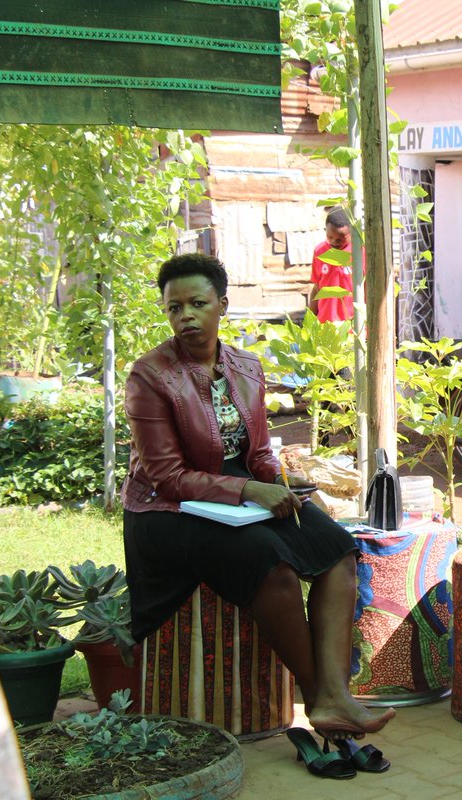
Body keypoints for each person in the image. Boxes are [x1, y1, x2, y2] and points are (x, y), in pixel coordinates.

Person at [122, 253, 394, 753]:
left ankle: (336, 691)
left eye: (197, 303)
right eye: (174, 307)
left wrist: (283, 482)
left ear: (222, 305)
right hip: (166, 512)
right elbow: (166, 476)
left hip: (242, 496)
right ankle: (318, 699)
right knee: (270, 564)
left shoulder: (245, 366)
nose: (186, 315)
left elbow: (260, 453)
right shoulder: (150, 376)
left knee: (336, 548)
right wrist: (250, 489)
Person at [308, 207, 356, 323]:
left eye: (341, 239)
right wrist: (310, 319)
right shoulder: (320, 252)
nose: (334, 241)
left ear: (351, 232)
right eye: (330, 237)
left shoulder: (360, 253)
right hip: (325, 325)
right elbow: (317, 288)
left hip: (352, 327)